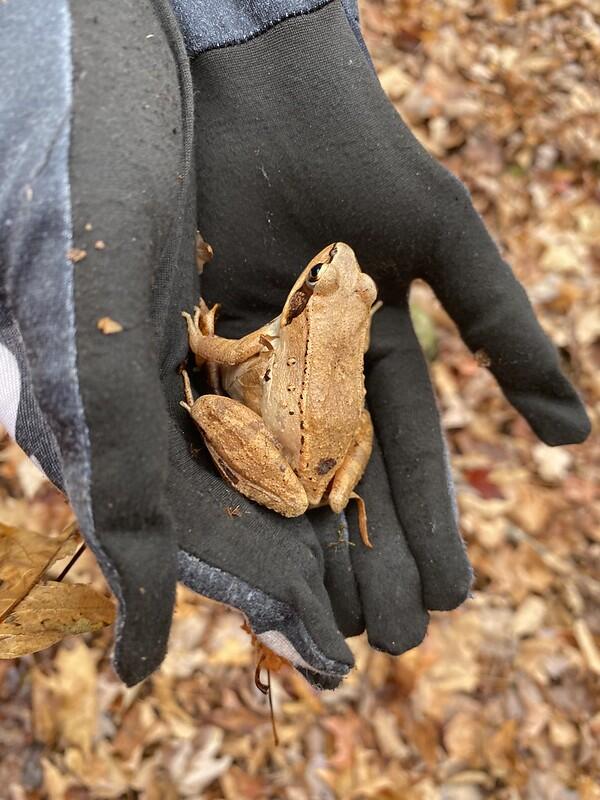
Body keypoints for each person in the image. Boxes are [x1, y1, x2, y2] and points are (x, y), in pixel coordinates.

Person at [0, 0, 589, 688]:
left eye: (342, 286)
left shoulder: (279, 329)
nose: (332, 269)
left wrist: (204, 346)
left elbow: (239, 351)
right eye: (324, 282)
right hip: (333, 457)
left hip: (289, 442)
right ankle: (331, 489)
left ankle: (226, 427)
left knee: (215, 404)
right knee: (336, 450)